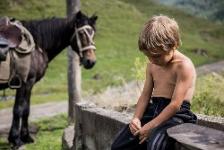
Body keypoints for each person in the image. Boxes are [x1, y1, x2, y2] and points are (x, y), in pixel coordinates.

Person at [111, 15, 197, 150]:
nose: (152, 60)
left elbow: (175, 105)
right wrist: (136, 119)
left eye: (156, 55)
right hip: (154, 109)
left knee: (156, 145)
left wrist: (152, 125)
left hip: (176, 115)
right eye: (148, 56)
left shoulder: (183, 66)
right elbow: (145, 96)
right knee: (119, 145)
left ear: (173, 45)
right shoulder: (152, 65)